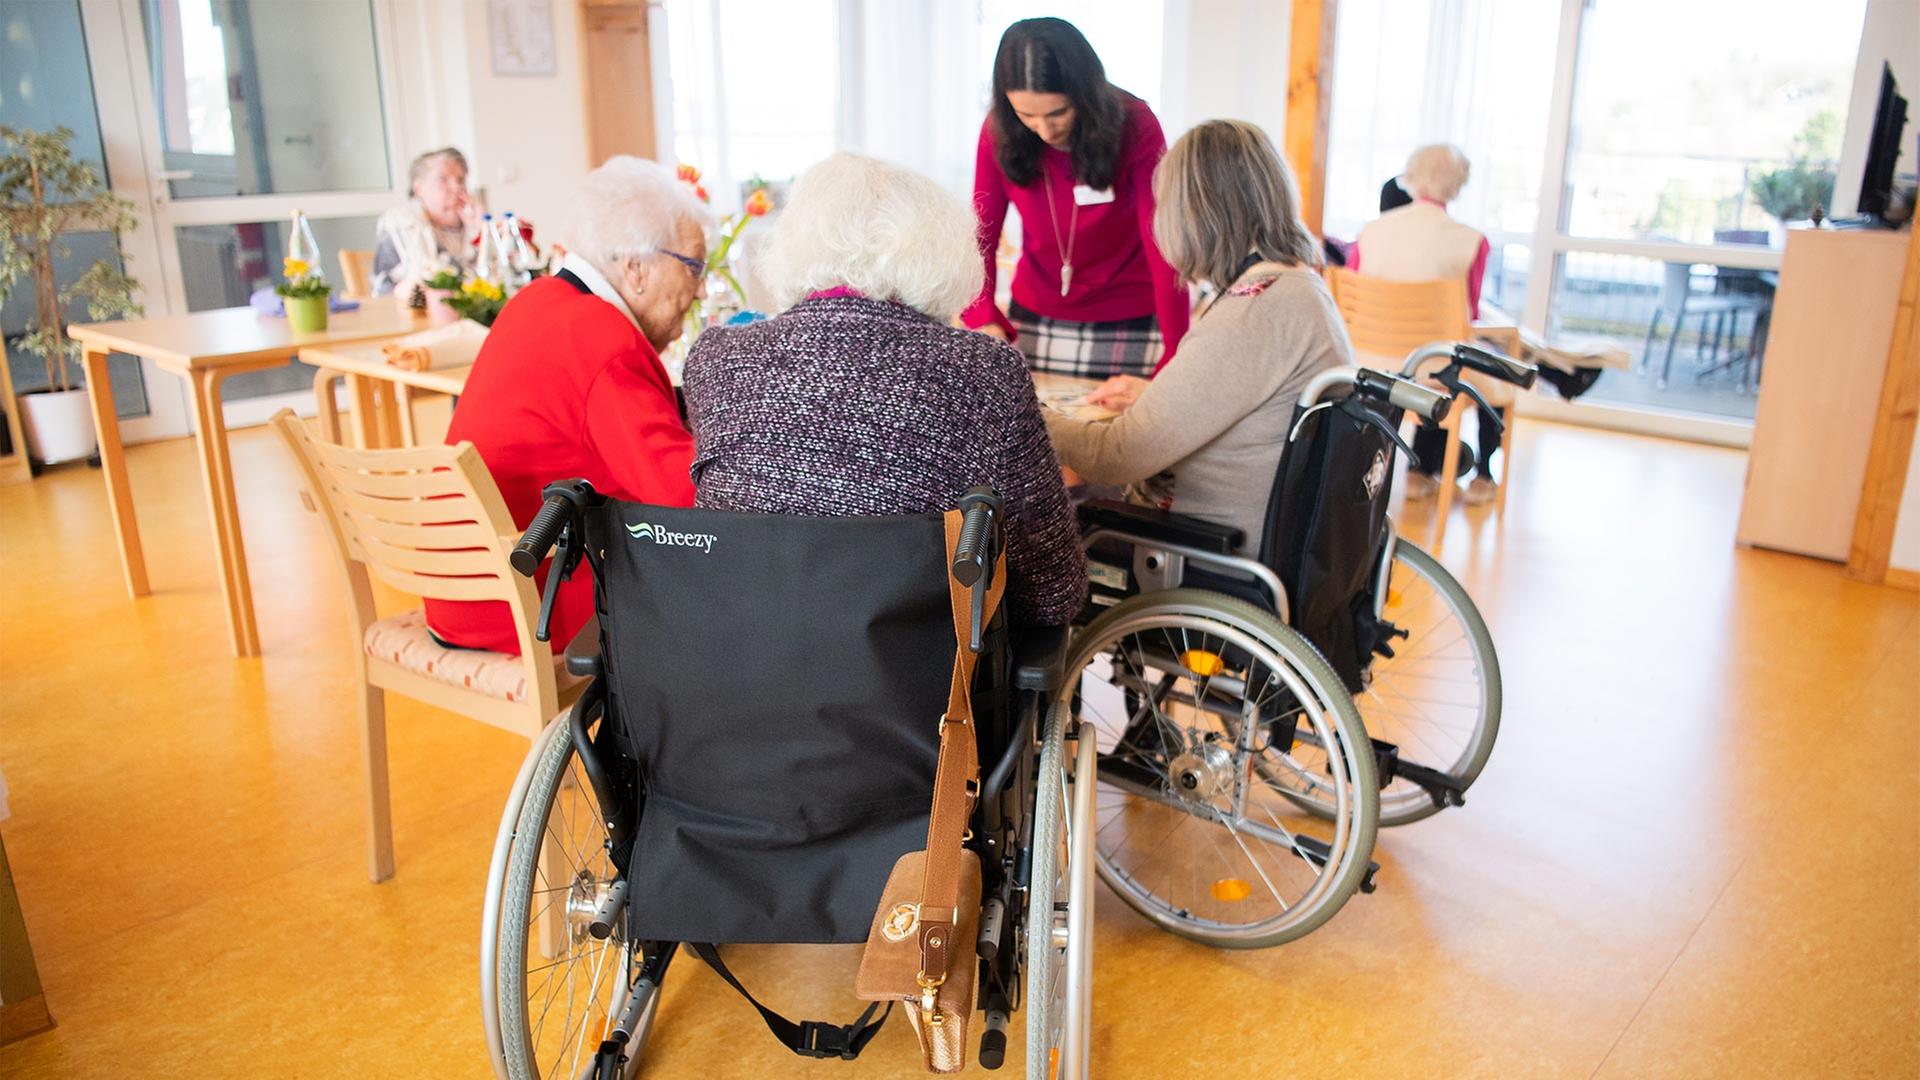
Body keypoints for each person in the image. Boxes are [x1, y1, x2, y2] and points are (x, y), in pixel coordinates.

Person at [682, 152, 1087, 626]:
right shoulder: (984, 370)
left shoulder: (716, 359)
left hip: (737, 668)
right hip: (921, 690)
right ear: (943, 255)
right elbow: (1053, 592)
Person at [424, 156, 714, 653]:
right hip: (527, 604)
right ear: (637, 268)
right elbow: (684, 499)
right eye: (693, 267)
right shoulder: (604, 342)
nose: (701, 289)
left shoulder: (538, 300)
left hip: (460, 591)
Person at [1045, 120, 1347, 556]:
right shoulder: (1297, 286)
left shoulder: (1252, 311)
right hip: (1281, 531)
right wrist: (1160, 395)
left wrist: (1027, 412)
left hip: (1206, 547)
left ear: (1194, 216)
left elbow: (1115, 457)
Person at [963, 17, 1189, 379]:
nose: (1045, 129)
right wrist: (983, 316)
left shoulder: (1136, 123)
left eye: (1058, 112)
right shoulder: (998, 131)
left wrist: (1176, 348)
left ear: (1083, 93)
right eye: (1027, 115)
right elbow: (980, 236)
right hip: (1034, 318)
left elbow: (1163, 238)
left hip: (1130, 319)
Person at [1352, 144, 1504, 505]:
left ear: (1411, 176)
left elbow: (1356, 298)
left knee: (1442, 357)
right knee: (1494, 369)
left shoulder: (1371, 232)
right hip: (1433, 368)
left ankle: (1421, 470)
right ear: (1458, 184)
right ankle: (1483, 475)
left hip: (1369, 360)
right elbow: (1468, 318)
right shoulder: (1471, 241)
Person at [372, 148, 481, 296]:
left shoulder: (473, 224)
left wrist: (482, 231)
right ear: (418, 188)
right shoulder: (400, 225)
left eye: (460, 179)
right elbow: (383, 290)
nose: (456, 187)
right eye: (443, 179)